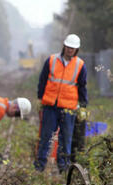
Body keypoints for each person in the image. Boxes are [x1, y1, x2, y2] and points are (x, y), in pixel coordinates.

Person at [34, 34, 88, 173]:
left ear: (77, 50)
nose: (70, 50)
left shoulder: (80, 65)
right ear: (64, 46)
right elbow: (43, 80)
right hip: (50, 106)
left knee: (66, 141)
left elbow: (82, 87)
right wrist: (40, 98)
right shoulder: (51, 60)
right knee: (46, 137)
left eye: (73, 48)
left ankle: (64, 169)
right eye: (68, 47)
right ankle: (39, 167)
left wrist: (83, 106)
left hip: (68, 109)